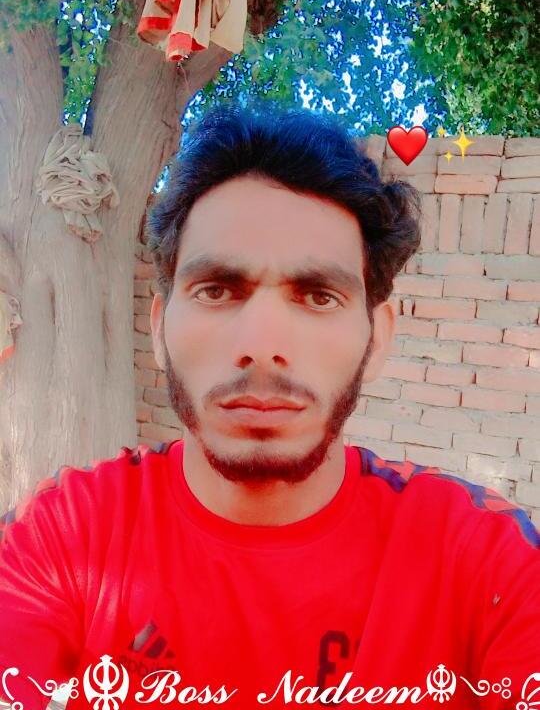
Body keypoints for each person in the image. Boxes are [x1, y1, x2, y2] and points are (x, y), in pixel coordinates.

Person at [0, 102, 538, 710]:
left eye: (318, 296)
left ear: (378, 337)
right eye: (217, 290)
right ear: (159, 328)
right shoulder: (57, 541)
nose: (261, 345)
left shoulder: (489, 564)